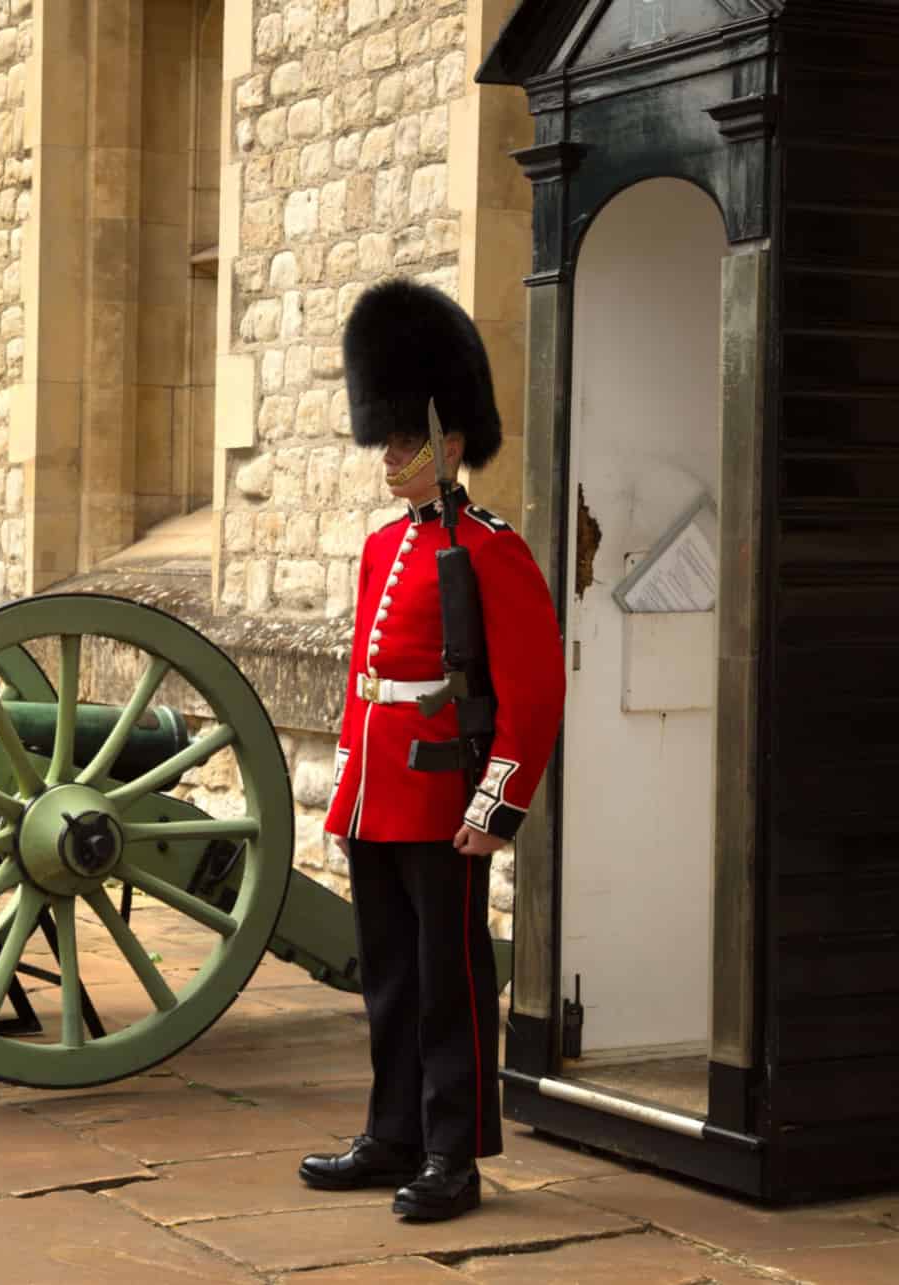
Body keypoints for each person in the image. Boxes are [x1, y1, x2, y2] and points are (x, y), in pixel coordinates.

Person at [298, 278, 565, 1222]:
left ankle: (454, 1152)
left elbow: (533, 693)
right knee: (390, 978)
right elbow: (364, 683)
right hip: (380, 796)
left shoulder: (494, 551)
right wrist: (346, 795)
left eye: (409, 441)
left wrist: (495, 805)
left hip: (444, 798)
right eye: (388, 439)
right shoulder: (381, 547)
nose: (391, 457)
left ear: (452, 445)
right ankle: (393, 1133)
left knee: (451, 982)